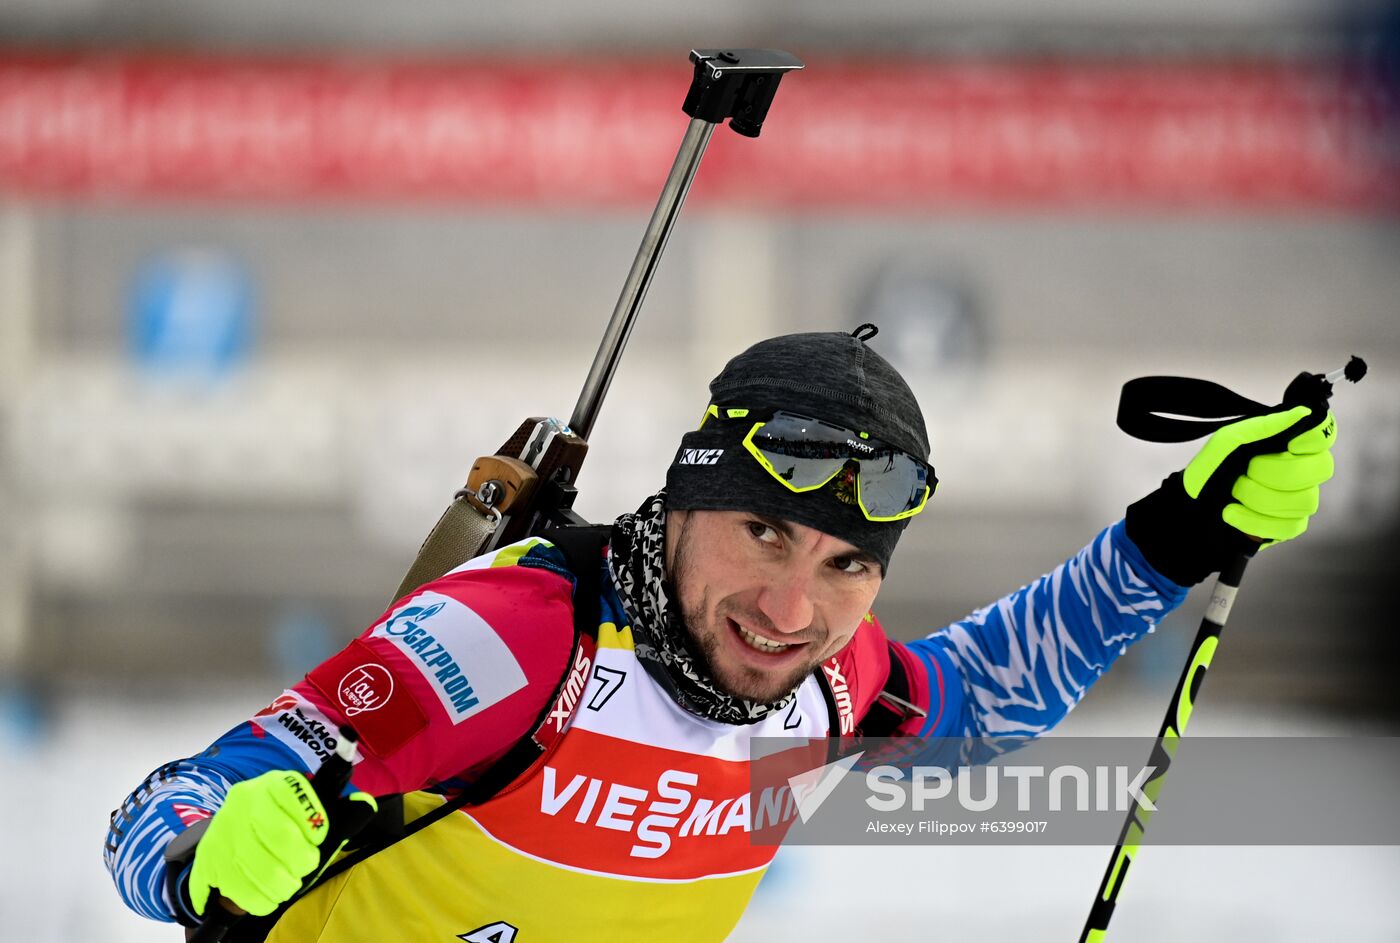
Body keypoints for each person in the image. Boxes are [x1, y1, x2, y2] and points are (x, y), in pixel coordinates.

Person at [104, 326, 1337, 942]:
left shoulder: (823, 680)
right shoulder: (517, 638)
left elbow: (972, 708)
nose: (790, 611)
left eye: (846, 564)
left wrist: (1171, 538)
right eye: (760, 535)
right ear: (681, 501)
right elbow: (162, 806)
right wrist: (205, 848)